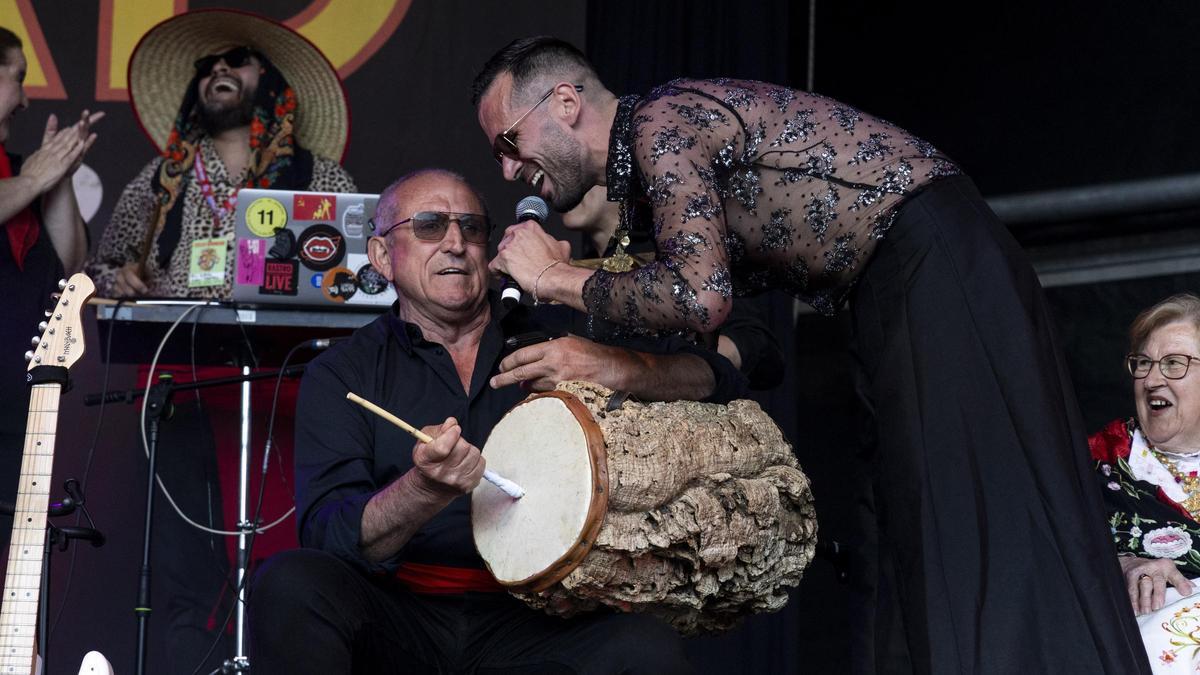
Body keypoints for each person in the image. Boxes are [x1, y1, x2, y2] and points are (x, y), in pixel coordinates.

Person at [472, 37, 1149, 673]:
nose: (507, 168)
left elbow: (700, 295)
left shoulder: (658, 122)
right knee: (923, 527)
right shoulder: (651, 157)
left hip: (931, 265)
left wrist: (552, 279)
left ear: (565, 103)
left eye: (509, 142)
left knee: (970, 514)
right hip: (899, 281)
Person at [248, 168, 746, 673]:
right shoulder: (343, 371)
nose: (455, 243)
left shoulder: (560, 339)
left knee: (646, 648)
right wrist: (423, 490)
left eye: (471, 228)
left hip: (537, 614)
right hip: (401, 615)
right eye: (428, 226)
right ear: (382, 256)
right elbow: (329, 536)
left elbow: (719, 376)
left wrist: (611, 365)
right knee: (289, 581)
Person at [80, 11, 356, 673]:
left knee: (290, 563)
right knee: (180, 566)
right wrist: (122, 276)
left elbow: (360, 279)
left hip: (288, 395)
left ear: (274, 84)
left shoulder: (322, 180)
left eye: (236, 60)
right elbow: (101, 268)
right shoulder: (158, 179)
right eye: (207, 67)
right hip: (184, 387)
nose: (217, 72)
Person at [0, 25, 101, 547]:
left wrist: (57, 175)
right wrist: (37, 179)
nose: (24, 97)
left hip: (17, 394)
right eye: (17, 77)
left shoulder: (21, 172)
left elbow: (70, 265)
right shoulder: (23, 179)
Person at [562, 184, 785, 389]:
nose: (569, 188)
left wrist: (654, 362)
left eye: (582, 176)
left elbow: (759, 349)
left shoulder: (674, 255)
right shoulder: (572, 273)